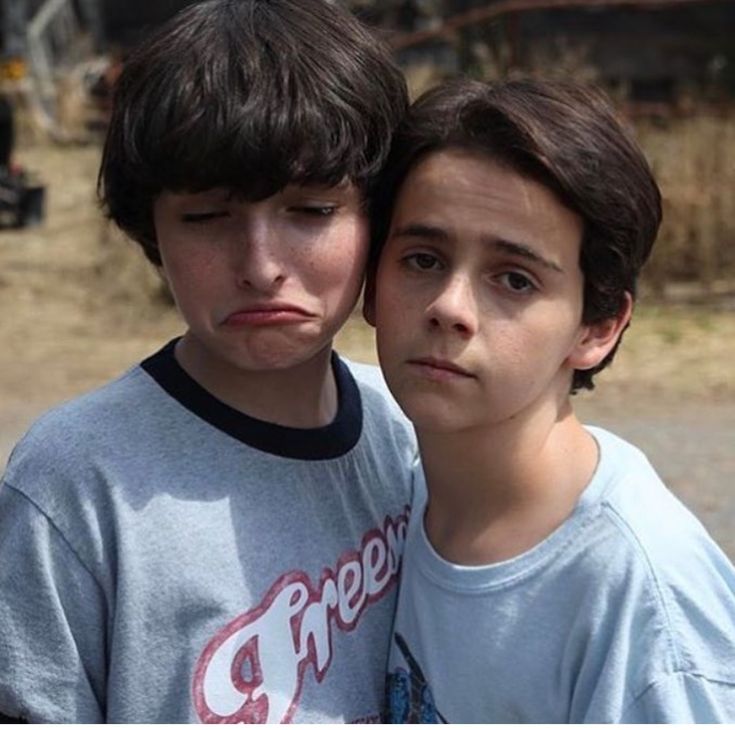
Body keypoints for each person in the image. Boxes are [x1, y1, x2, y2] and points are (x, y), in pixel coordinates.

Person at [0, 0, 414, 722]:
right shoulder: (76, 481)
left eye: (311, 211)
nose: (260, 266)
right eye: (205, 217)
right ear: (149, 230)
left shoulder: (410, 433)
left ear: (377, 218)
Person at [364, 77, 735, 722]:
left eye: (514, 279)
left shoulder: (642, 600)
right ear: (369, 283)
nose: (450, 307)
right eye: (422, 259)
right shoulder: (389, 486)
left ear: (597, 327)